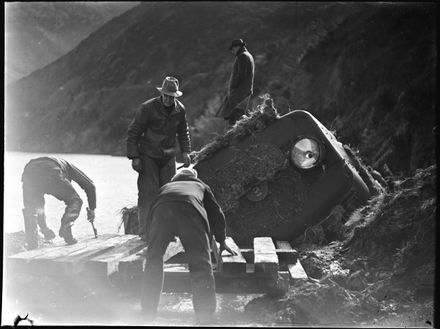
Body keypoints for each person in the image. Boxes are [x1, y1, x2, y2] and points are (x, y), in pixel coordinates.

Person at [140, 168, 237, 324]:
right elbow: (217, 214)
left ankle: (147, 314)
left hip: (162, 212)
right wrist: (222, 240)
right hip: (190, 213)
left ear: (175, 179)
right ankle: (205, 318)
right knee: (201, 265)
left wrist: (150, 240)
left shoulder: (165, 187)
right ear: (194, 178)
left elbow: (151, 213)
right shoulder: (201, 186)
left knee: (153, 261)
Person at [126, 76, 192, 242]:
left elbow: (183, 132)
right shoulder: (147, 108)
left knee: (169, 194)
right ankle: (145, 233)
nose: (169, 99)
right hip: (148, 155)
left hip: (168, 157)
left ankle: (168, 232)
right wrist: (135, 156)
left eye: (172, 96)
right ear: (162, 93)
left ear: (176, 96)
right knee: (148, 194)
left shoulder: (180, 110)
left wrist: (186, 152)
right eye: (167, 95)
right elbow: (133, 132)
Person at [21, 157, 96, 249]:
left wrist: (45, 229)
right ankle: (66, 229)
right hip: (51, 170)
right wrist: (92, 209)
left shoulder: (59, 165)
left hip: (29, 171)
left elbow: (39, 208)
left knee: (32, 209)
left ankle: (32, 243)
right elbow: (90, 186)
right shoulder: (69, 167)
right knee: (75, 200)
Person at [216, 38, 255, 125]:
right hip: (244, 92)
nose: (232, 51)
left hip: (239, 93)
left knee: (235, 120)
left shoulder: (242, 56)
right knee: (238, 118)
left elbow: (241, 75)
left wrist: (232, 86)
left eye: (233, 49)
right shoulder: (248, 55)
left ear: (237, 47)